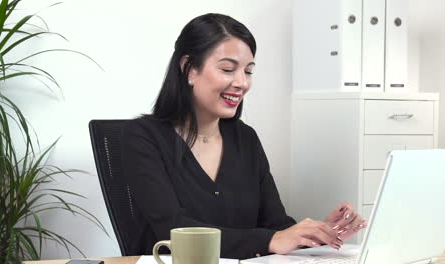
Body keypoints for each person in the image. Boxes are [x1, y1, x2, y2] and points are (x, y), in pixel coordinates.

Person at [120, 13, 367, 260]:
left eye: (248, 71)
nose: (242, 83)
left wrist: (320, 234)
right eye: (228, 69)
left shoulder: (245, 139)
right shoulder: (142, 138)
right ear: (189, 69)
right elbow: (174, 230)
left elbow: (276, 225)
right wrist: (273, 239)